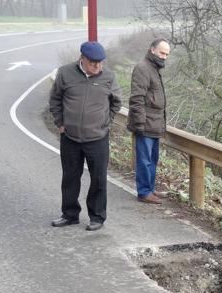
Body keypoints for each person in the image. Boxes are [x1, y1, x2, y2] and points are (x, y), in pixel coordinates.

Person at [49, 41, 122, 231]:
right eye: (93, 62)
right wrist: (60, 123)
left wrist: (106, 123)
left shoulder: (108, 77)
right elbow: (55, 98)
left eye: (100, 62)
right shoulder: (65, 73)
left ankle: (97, 217)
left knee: (98, 179)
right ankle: (70, 214)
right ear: (82, 59)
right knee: (70, 177)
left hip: (97, 138)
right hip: (70, 137)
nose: (97, 66)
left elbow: (116, 102)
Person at [127, 38, 171, 204]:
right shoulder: (143, 68)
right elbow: (137, 98)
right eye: (162, 52)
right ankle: (144, 192)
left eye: (167, 54)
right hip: (145, 124)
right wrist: (139, 124)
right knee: (144, 161)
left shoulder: (154, 68)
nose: (164, 56)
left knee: (152, 159)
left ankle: (150, 189)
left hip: (154, 123)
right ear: (152, 50)